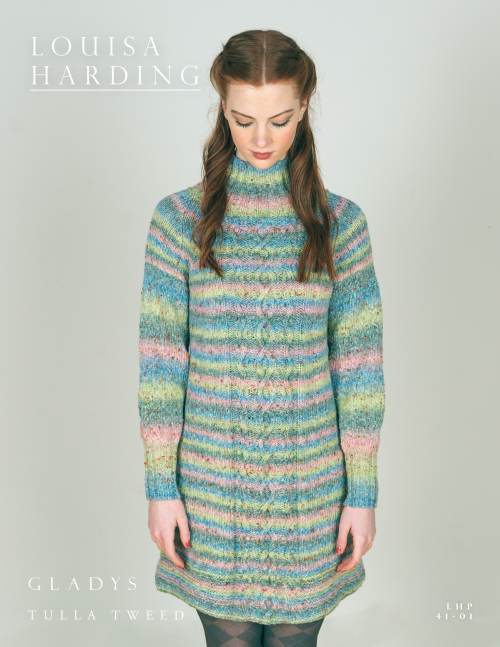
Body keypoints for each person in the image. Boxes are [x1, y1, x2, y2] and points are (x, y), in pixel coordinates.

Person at [138, 28, 385, 646]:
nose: (262, 139)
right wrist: (161, 488)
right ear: (222, 109)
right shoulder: (178, 222)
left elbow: (358, 369)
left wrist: (362, 494)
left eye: (280, 119)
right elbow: (161, 367)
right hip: (211, 491)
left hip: (311, 492)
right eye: (243, 120)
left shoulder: (340, 225)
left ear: (304, 108)